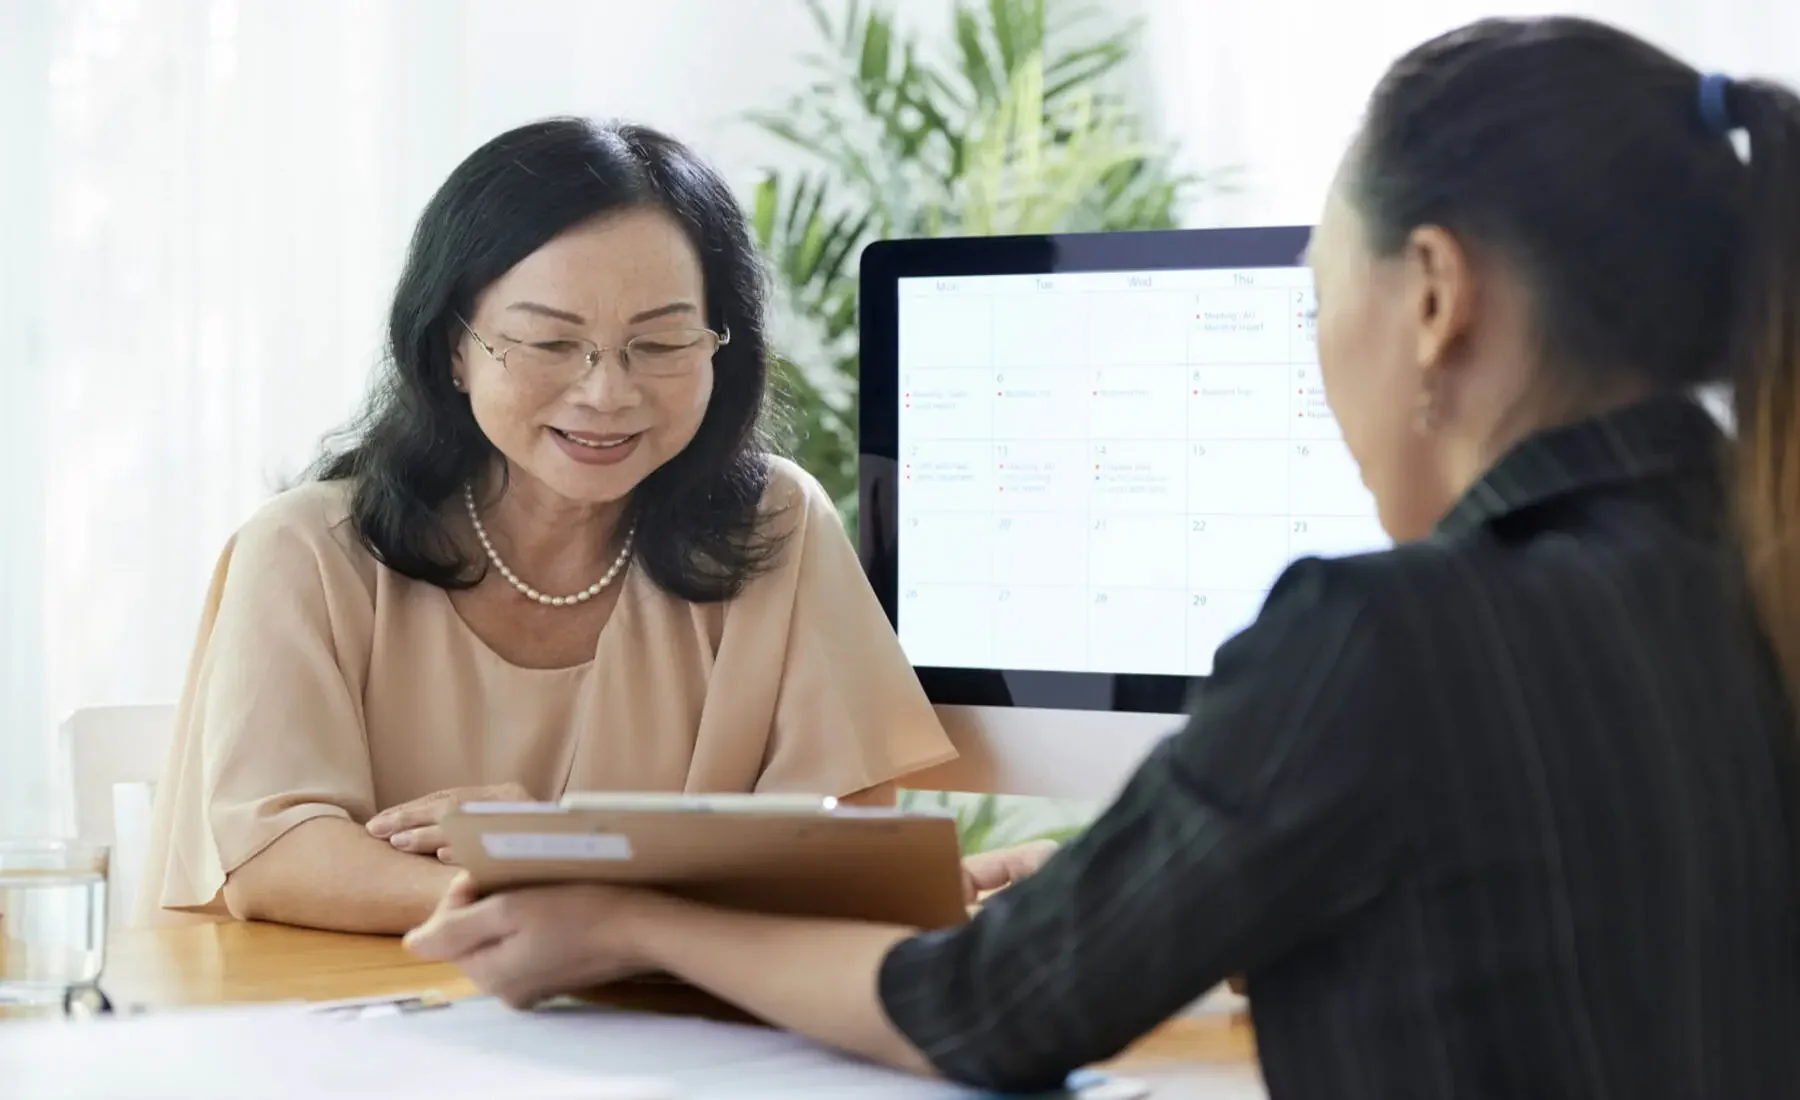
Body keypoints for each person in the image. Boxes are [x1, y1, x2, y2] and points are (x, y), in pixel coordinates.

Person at [406, 17, 1800, 1099]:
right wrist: (1201, 892)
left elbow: (991, 1013)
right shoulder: (1752, 590)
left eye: (1320, 295)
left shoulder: (1388, 635)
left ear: (1432, 296)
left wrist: (637, 923)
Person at [135, 118, 957, 934]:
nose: (606, 393)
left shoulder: (776, 525)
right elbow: (276, 858)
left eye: (662, 342)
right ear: (452, 348)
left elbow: (845, 843)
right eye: (550, 342)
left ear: (720, 346)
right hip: (367, 1030)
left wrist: (571, 860)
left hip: (674, 1033)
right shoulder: (306, 550)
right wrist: (555, 895)